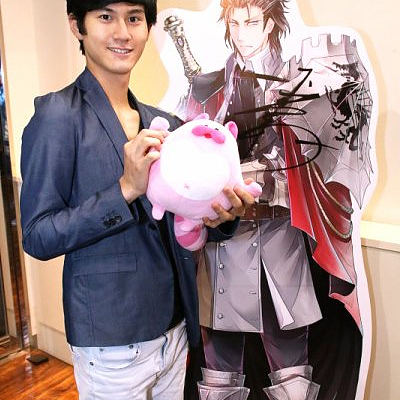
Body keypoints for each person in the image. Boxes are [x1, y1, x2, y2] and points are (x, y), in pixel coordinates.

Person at [19, 1, 255, 399]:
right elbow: (38, 235)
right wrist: (125, 189)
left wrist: (222, 217)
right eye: (105, 17)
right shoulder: (57, 116)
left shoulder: (167, 124)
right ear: (77, 26)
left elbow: (184, 218)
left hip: (175, 330)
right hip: (111, 339)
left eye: (134, 18)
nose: (123, 33)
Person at [178, 1, 364, 399]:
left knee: (289, 352)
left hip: (279, 230)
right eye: (235, 23)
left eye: (252, 22)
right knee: (220, 358)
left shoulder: (298, 75)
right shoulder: (214, 85)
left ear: (269, 25)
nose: (242, 33)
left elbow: (319, 148)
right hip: (224, 236)